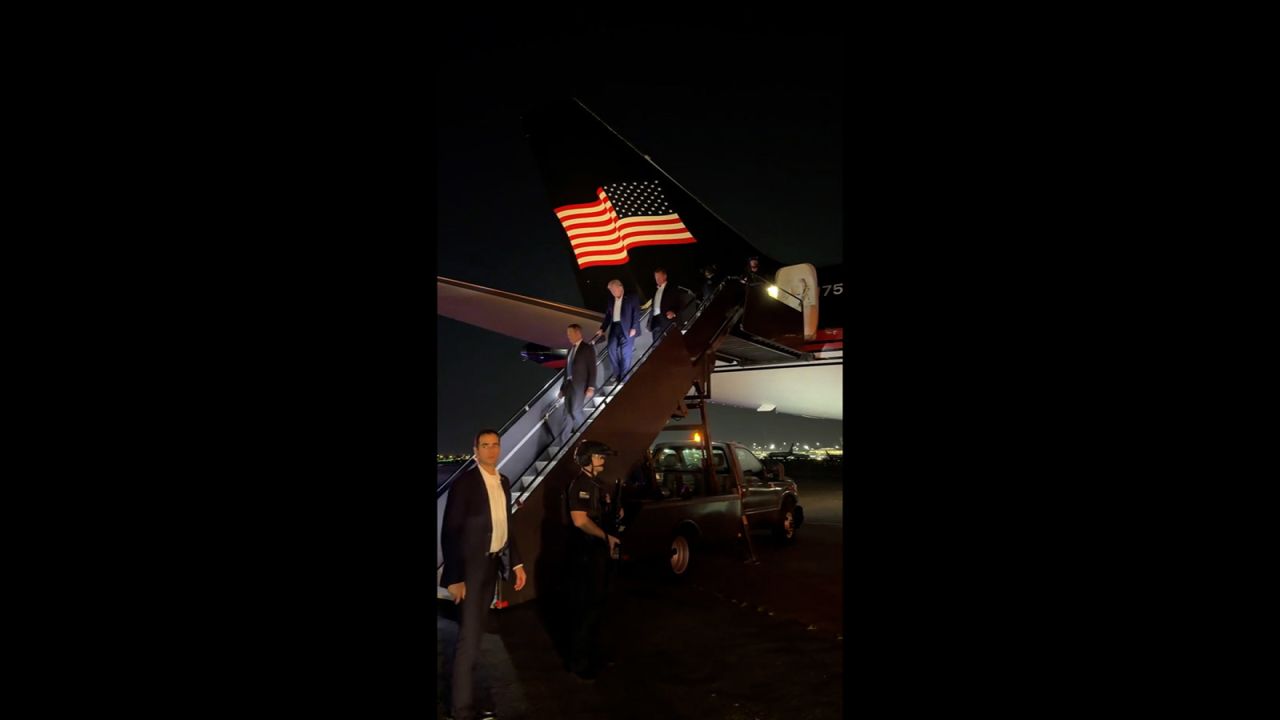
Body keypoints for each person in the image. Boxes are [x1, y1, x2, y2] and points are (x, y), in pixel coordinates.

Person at [440, 429, 527, 720]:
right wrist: (454, 577)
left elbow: (506, 526)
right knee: (468, 638)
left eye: (495, 445)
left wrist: (516, 563)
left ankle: (469, 699)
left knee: (475, 638)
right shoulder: (464, 483)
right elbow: (450, 532)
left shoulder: (503, 481)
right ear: (475, 449)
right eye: (485, 445)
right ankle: (461, 710)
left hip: (491, 567)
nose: (491, 450)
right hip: (470, 570)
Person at [564, 439, 622, 680]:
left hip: (597, 553)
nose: (602, 460)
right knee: (587, 608)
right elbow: (579, 520)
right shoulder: (580, 485)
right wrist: (605, 537)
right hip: (585, 554)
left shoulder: (597, 484)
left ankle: (593, 655)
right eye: (598, 456)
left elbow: (600, 513)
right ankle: (580, 662)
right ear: (587, 459)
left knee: (598, 605)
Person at [591, 279, 640, 382]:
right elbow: (608, 316)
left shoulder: (631, 297)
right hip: (615, 327)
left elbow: (636, 312)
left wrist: (634, 327)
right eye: (611, 291)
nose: (612, 292)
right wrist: (602, 329)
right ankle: (617, 372)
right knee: (611, 349)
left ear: (620, 287)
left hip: (627, 328)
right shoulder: (610, 300)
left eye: (613, 290)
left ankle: (624, 377)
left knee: (625, 353)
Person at [558, 323, 597, 445]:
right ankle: (563, 443)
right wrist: (562, 389)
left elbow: (592, 368)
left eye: (570, 333)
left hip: (580, 385)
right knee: (566, 413)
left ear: (578, 333)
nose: (568, 336)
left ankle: (589, 436)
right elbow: (566, 371)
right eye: (567, 333)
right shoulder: (570, 350)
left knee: (575, 411)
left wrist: (591, 386)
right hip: (568, 385)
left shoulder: (587, 348)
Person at [647, 267, 687, 342]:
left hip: (667, 319)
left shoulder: (672, 288)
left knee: (673, 341)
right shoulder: (655, 290)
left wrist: (674, 312)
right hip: (656, 320)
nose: (657, 279)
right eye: (656, 277)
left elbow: (681, 303)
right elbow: (653, 306)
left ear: (665, 276)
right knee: (657, 344)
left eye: (659, 277)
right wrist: (650, 321)